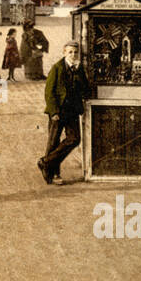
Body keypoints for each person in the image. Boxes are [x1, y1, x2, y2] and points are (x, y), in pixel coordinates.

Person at [39, 41, 91, 185]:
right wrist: (54, 111)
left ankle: (45, 162)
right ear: (64, 52)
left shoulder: (79, 68)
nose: (73, 55)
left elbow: (85, 88)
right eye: (70, 52)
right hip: (58, 111)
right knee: (53, 141)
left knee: (74, 138)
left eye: (75, 52)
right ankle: (53, 174)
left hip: (72, 110)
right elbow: (49, 92)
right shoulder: (57, 68)